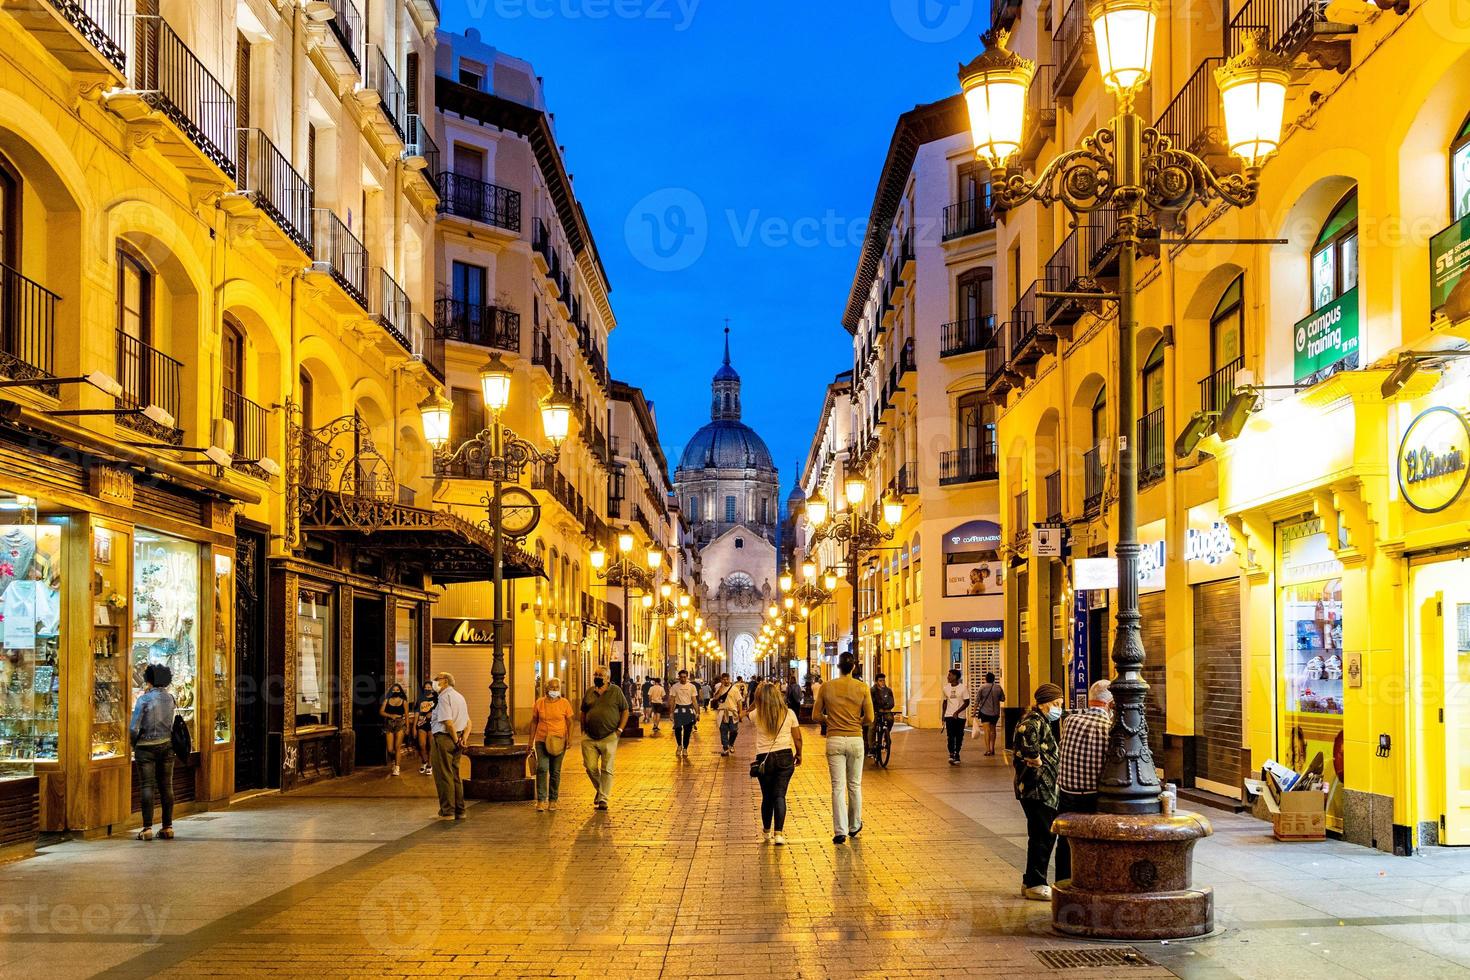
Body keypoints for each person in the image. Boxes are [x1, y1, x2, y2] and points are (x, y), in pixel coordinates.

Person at [1055, 680, 1112, 883]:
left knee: (1065, 839)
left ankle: (1063, 881)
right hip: (1091, 796)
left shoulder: (1070, 721)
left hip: (1066, 792)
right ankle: (1086, 881)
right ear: (1111, 704)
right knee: (1091, 840)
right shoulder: (1108, 728)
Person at [815, 653, 874, 844]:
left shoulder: (827, 686)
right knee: (854, 785)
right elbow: (870, 718)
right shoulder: (862, 687)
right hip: (855, 739)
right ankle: (854, 825)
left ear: (838, 667)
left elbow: (816, 715)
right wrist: (857, 722)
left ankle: (840, 830)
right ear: (854, 667)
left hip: (834, 739)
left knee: (837, 787)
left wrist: (829, 719)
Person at [1014, 683, 1064, 900]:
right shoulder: (1032, 723)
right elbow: (1032, 756)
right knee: (1042, 836)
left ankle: (1030, 880)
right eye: (1056, 704)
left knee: (1040, 834)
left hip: (1043, 788)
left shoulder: (1041, 721)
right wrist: (1040, 762)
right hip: (1037, 789)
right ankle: (1036, 882)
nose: (1058, 709)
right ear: (1044, 703)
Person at [748, 680, 802, 845]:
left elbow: (746, 713)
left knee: (767, 796)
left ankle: (766, 831)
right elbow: (798, 737)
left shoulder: (756, 714)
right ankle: (779, 833)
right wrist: (799, 753)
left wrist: (757, 700)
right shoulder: (789, 713)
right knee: (780, 795)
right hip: (785, 756)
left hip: (764, 759)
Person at [130, 664, 177, 841]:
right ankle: (168, 827)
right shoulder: (171, 698)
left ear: (149, 679)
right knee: (166, 786)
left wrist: (132, 744)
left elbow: (134, 727)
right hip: (166, 745)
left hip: (145, 747)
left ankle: (147, 828)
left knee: (147, 786)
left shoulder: (144, 700)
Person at [580, 665, 629, 810]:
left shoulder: (616, 691)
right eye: (596, 674)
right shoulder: (589, 692)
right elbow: (583, 711)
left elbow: (625, 710)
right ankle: (601, 790)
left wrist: (619, 730)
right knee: (590, 767)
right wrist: (583, 731)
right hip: (589, 737)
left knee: (607, 768)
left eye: (601, 675)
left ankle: (603, 799)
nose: (597, 677)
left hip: (609, 736)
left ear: (607, 678)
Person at [530, 676, 576, 811]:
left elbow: (570, 722)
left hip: (559, 740)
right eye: (552, 687)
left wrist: (570, 738)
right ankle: (541, 799)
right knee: (542, 768)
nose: (555, 690)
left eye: (557, 687)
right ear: (546, 689)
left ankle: (553, 799)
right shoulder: (539, 703)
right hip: (541, 739)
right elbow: (534, 722)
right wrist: (530, 741)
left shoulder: (564, 703)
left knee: (555, 771)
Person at [429, 672, 471, 820]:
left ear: (445, 681)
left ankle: (448, 811)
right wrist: (462, 739)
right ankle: (460, 810)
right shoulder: (460, 697)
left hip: (444, 739)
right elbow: (468, 722)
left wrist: (454, 739)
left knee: (443, 774)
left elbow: (447, 722)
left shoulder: (444, 697)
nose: (434, 682)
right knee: (454, 775)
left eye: (437, 679)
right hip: (458, 737)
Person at [941, 669, 971, 766]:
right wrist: (943, 715)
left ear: (955, 676)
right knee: (950, 735)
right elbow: (945, 702)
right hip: (949, 715)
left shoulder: (963, 688)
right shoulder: (946, 688)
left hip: (960, 716)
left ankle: (957, 753)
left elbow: (967, 702)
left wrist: (957, 712)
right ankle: (951, 753)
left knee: (959, 736)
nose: (948, 677)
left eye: (950, 675)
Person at [380, 682, 410, 776]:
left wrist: (408, 727)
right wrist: (390, 715)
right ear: (391, 691)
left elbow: (407, 715)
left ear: (400, 691)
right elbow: (381, 712)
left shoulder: (404, 701)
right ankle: (394, 760)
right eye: (394, 689)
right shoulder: (387, 700)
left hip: (400, 723)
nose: (395, 691)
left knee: (397, 747)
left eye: (397, 690)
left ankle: (397, 767)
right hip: (389, 724)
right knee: (390, 749)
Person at [669, 669, 699, 758]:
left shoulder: (691, 687)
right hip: (678, 709)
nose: (683, 679)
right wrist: (671, 712)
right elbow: (672, 700)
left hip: (688, 709)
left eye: (684, 677)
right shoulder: (675, 687)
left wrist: (697, 712)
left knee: (687, 731)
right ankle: (679, 745)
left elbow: (694, 700)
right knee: (677, 729)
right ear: (679, 677)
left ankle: (685, 748)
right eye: (681, 677)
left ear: (687, 677)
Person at [713, 672, 743, 756]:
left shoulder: (734, 689)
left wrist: (740, 712)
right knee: (723, 731)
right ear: (721, 680)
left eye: (727, 679)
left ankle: (731, 744)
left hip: (732, 712)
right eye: (724, 679)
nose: (726, 681)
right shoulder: (719, 688)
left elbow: (739, 701)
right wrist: (721, 688)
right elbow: (716, 698)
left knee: (734, 730)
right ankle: (725, 748)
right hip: (722, 713)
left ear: (729, 679)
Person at [975, 673, 1005, 757]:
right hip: (995, 712)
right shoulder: (998, 687)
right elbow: (1003, 699)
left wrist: (974, 711)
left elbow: (977, 700)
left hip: (984, 712)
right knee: (993, 730)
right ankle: (992, 748)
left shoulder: (982, 687)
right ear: (994, 679)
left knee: (986, 731)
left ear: (986, 679)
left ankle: (988, 749)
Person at [413, 681, 437, 774]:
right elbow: (417, 713)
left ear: (432, 688)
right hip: (421, 724)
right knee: (422, 745)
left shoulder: (436, 699)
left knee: (431, 745)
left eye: (429, 687)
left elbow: (440, 710)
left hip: (432, 724)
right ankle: (424, 761)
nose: (427, 689)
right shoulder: (420, 698)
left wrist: (433, 713)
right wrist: (414, 727)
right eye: (425, 687)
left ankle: (430, 764)